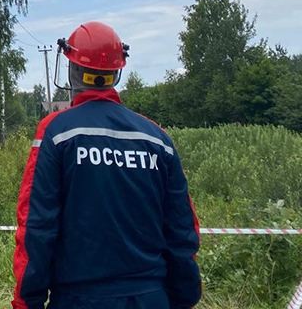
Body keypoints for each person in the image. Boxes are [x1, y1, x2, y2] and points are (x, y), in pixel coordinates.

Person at [12, 21, 201, 309]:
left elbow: (37, 228)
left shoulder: (56, 133)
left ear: (72, 70)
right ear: (117, 72)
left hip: (79, 299)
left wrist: (28, 302)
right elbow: (182, 229)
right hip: (151, 298)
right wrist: (182, 297)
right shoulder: (156, 138)